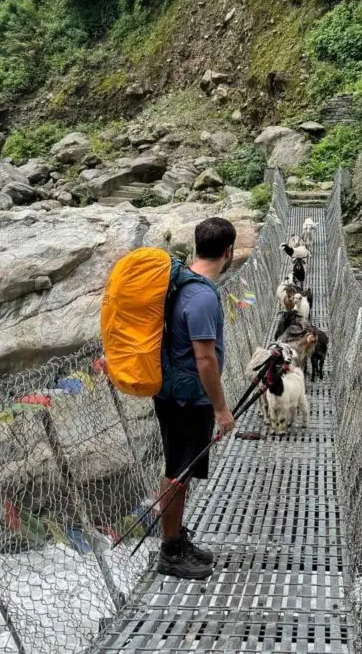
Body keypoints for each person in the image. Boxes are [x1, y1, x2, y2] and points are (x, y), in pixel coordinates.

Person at [154, 217, 237, 580]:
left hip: (172, 391)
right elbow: (204, 358)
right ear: (228, 252)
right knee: (177, 473)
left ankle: (175, 539)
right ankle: (170, 551)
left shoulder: (182, 280)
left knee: (181, 470)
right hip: (188, 399)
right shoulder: (202, 295)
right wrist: (221, 409)